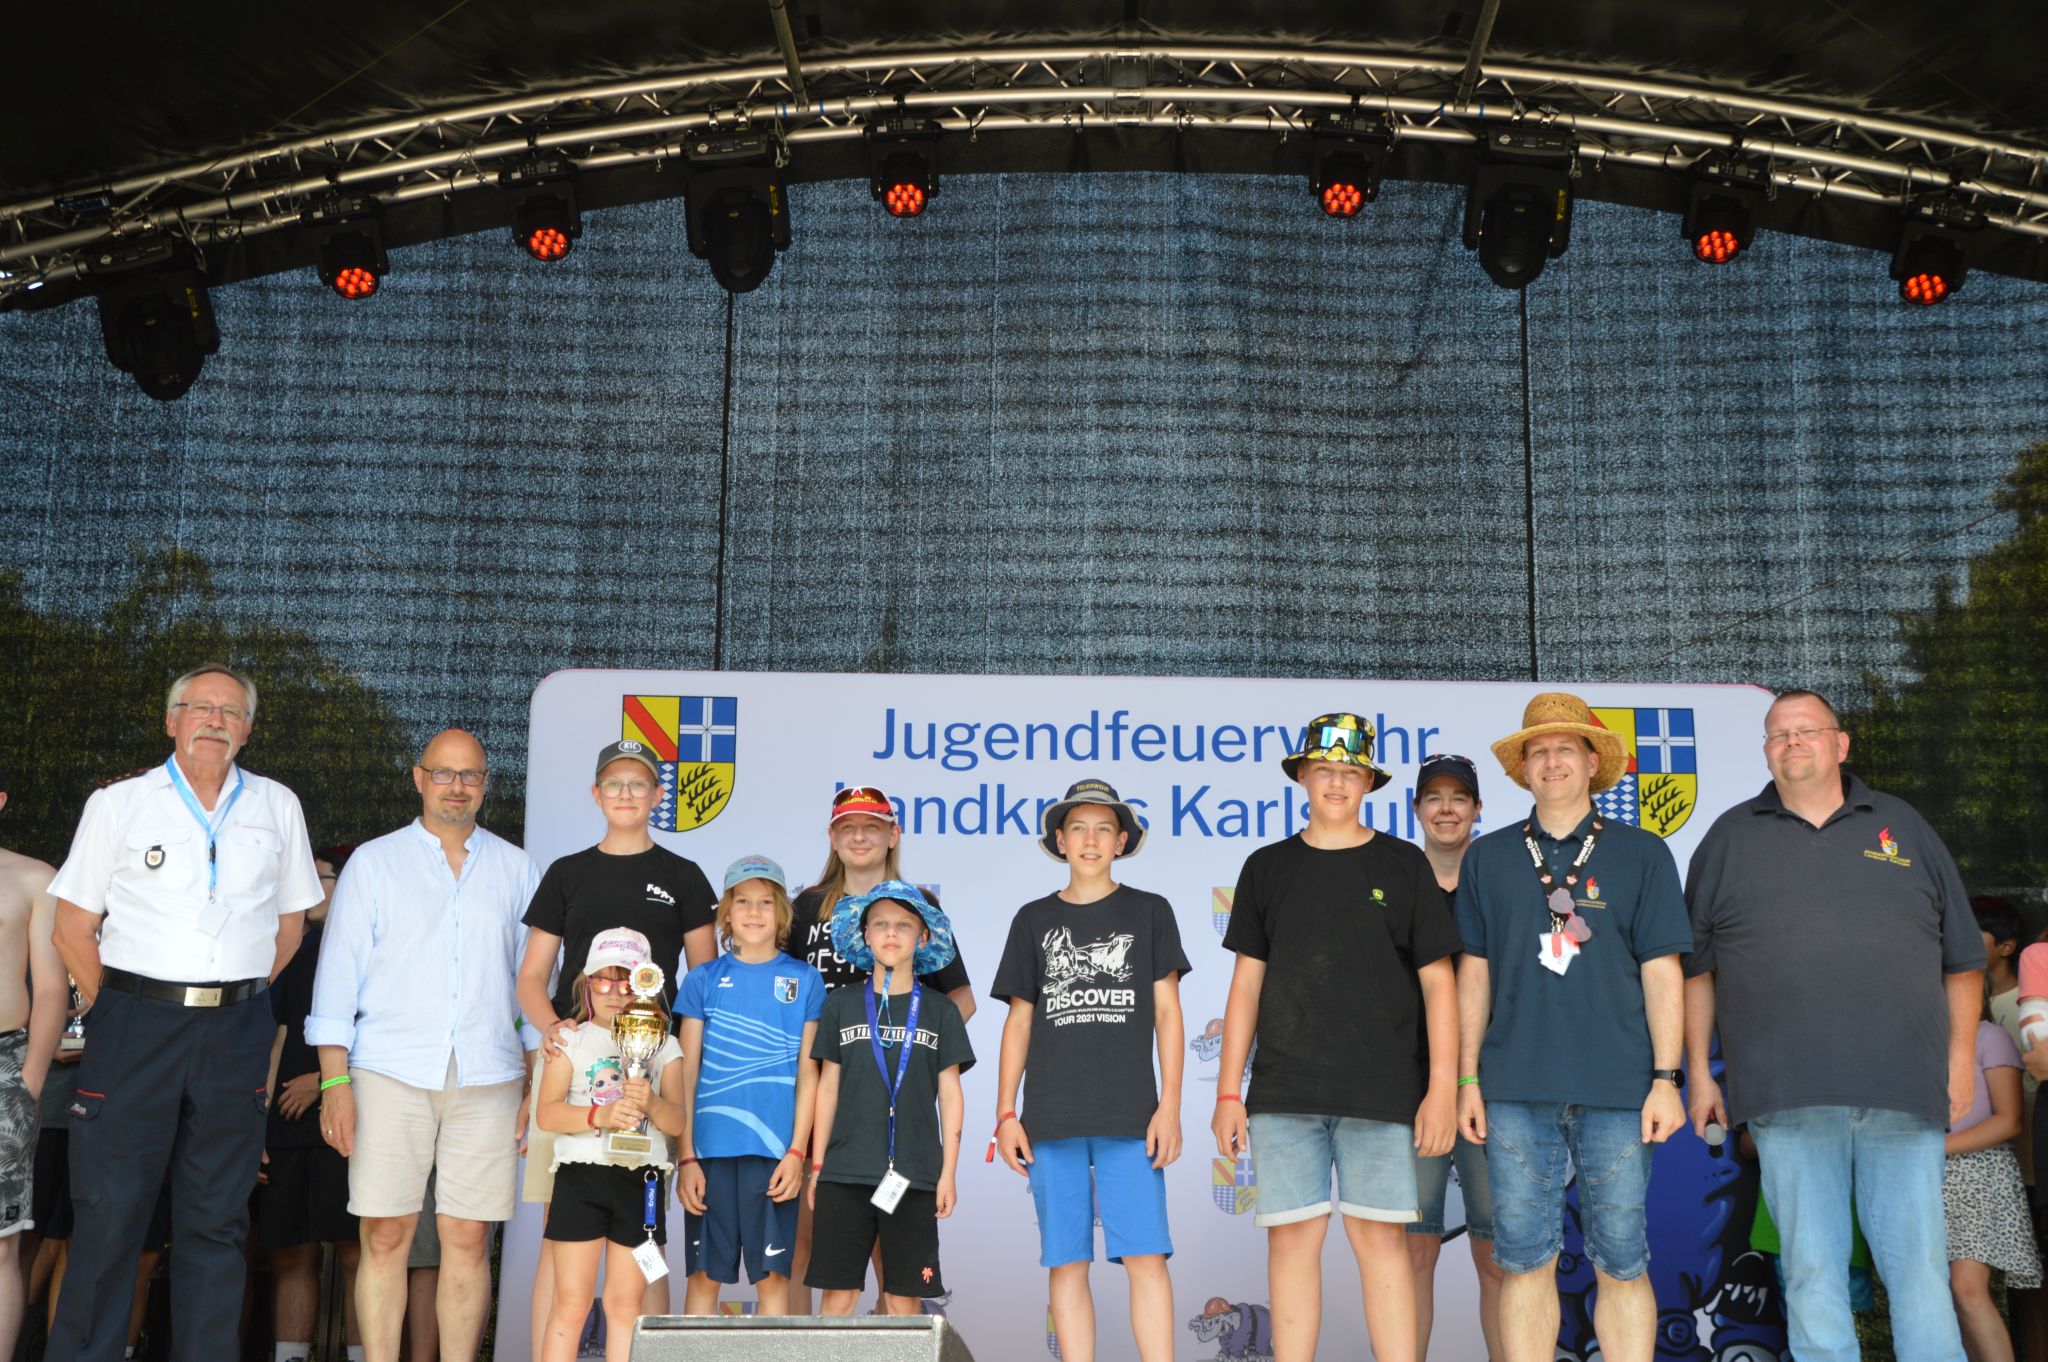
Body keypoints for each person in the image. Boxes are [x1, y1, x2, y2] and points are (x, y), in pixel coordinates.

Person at [1684, 689, 1984, 1362]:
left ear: (1841, 744)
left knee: (1919, 1276)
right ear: (1766, 751)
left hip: (1903, 1093)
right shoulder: (1729, 837)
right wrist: (1699, 1071)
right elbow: (1695, 969)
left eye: (1807, 730)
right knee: (1812, 1274)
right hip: (1787, 1098)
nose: (1791, 742)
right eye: (1777, 734)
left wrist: (1960, 1062)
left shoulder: (1903, 826)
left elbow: (1964, 962)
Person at [48, 663, 322, 1362]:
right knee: (110, 1217)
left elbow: (290, 928)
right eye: (200, 708)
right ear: (171, 720)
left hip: (234, 1030)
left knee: (218, 1222)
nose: (215, 721)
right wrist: (118, 1012)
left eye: (231, 712)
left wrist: (235, 998)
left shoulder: (277, 805)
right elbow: (72, 928)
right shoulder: (119, 804)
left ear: (248, 731)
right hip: (135, 1026)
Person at [1211, 713, 1461, 1362]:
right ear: (1302, 776)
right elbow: (1245, 987)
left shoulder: (1403, 863)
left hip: (1382, 1091)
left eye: (1350, 772)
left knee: (1382, 1243)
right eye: (1324, 769)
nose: (1336, 783)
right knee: (1292, 1242)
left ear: (1369, 783)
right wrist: (1227, 1093)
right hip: (1283, 1091)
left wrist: (1442, 1087)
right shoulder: (1267, 867)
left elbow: (1440, 983)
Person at [1455, 692, 1691, 1362]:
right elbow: (1474, 975)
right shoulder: (1487, 857)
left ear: (1592, 763)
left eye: (1565, 748)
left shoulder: (1643, 853)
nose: (1551, 761)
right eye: (1538, 751)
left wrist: (1666, 1078)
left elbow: (1663, 972)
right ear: (1523, 768)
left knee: (1622, 1261)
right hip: (1513, 1088)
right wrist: (1468, 1079)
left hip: (1620, 1089)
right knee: (1522, 1262)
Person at [307, 729, 542, 1362]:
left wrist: (536, 1079)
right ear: (418, 778)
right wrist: (334, 1082)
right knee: (386, 1234)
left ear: (486, 784)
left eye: (470, 775)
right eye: (444, 773)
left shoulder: (518, 868)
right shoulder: (375, 862)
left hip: (490, 1076)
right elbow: (336, 980)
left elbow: (532, 987)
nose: (456, 787)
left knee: (468, 1238)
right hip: (389, 1071)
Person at [515, 739, 718, 1342]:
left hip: (650, 1074)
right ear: (596, 793)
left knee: (648, 1241)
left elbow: (702, 987)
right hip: (572, 1066)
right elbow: (532, 978)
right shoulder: (567, 872)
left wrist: (673, 1065)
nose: (626, 793)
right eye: (614, 783)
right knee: (557, 1234)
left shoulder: (683, 876)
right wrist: (554, 1031)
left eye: (638, 783)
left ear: (658, 795)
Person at [992, 779, 1189, 1362]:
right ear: (1060, 839)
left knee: (1146, 1257)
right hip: (1051, 1118)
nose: (1091, 839)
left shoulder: (1150, 911)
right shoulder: (1032, 918)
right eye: (1078, 828)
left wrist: (1170, 1106)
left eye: (1104, 829)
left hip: (1131, 1116)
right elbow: (1019, 1022)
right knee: (1067, 1261)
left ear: (1122, 841)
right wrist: (1006, 1113)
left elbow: (1169, 1014)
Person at [788, 784, 976, 1307]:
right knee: (810, 1247)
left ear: (893, 834)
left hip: (893, 1110)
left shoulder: (920, 904)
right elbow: (783, 991)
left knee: (892, 1265)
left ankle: (885, 1341)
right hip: (821, 1093)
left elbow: (961, 999)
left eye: (872, 826)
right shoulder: (805, 907)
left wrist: (906, 1053)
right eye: (847, 827)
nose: (859, 837)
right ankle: (808, 1345)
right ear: (832, 837)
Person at [675, 856, 823, 1317]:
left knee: (774, 1279)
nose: (754, 912)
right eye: (743, 902)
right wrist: (686, 1156)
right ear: (726, 912)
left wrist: (797, 1153)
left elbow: (809, 1075)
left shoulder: (805, 979)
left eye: (765, 902)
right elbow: (685, 1073)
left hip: (775, 1154)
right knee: (704, 1277)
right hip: (710, 1153)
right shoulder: (701, 980)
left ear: (782, 913)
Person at [535, 928, 685, 1362]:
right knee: (571, 1303)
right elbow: (547, 1114)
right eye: (604, 981)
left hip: (642, 1183)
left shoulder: (665, 1045)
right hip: (580, 1179)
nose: (616, 993)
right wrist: (597, 1116)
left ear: (646, 985)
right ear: (587, 983)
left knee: (625, 1306)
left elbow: (677, 1122)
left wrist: (651, 1103)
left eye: (628, 982)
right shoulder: (569, 1040)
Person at [1404, 754, 1504, 1362]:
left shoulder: (1499, 881)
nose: (1446, 809)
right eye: (1434, 798)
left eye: (1459, 798)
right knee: (1413, 1251)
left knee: (1496, 1255)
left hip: (1490, 1090)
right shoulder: (1393, 879)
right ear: (1417, 808)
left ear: (1477, 808)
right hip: (1409, 1090)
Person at [263, 847, 362, 1362]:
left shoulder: (372, 947)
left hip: (350, 1117)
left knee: (357, 1252)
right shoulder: (292, 950)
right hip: (288, 1122)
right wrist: (260, 1123)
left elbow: (387, 1034)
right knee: (290, 1252)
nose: (309, 888)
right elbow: (279, 1035)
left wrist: (324, 1081)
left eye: (320, 877)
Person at [0, 764, 65, 1360]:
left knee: (0, 1244)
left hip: (5, 1064)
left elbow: (50, 989)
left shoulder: (33, 878)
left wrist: (31, 1079)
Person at [1942, 1010, 2038, 1362]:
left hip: (1980, 1171)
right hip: (1924, 1175)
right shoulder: (1915, 1041)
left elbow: (2010, 1119)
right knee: (1949, 1296)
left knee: (1966, 1288)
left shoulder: (1989, 1036)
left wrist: (1933, 1148)